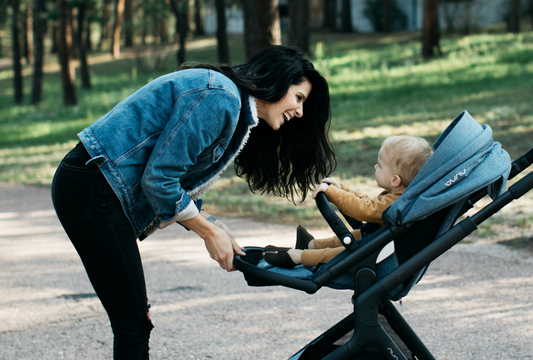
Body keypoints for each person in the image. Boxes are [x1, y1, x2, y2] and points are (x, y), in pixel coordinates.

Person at [50, 45, 336, 359]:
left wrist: (210, 221)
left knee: (132, 318)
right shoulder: (221, 98)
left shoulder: (230, 103)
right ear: (278, 81)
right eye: (299, 98)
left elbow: (172, 175)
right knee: (132, 320)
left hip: (93, 186)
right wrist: (207, 232)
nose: (300, 112)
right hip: (92, 189)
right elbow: (159, 178)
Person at [262, 135, 433, 269]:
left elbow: (365, 209)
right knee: (353, 238)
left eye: (379, 166)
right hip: (376, 239)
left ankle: (298, 257)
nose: (375, 167)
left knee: (342, 252)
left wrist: (334, 194)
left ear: (395, 180)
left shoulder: (397, 202)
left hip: (378, 253)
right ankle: (310, 245)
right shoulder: (399, 196)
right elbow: (369, 203)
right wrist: (342, 189)